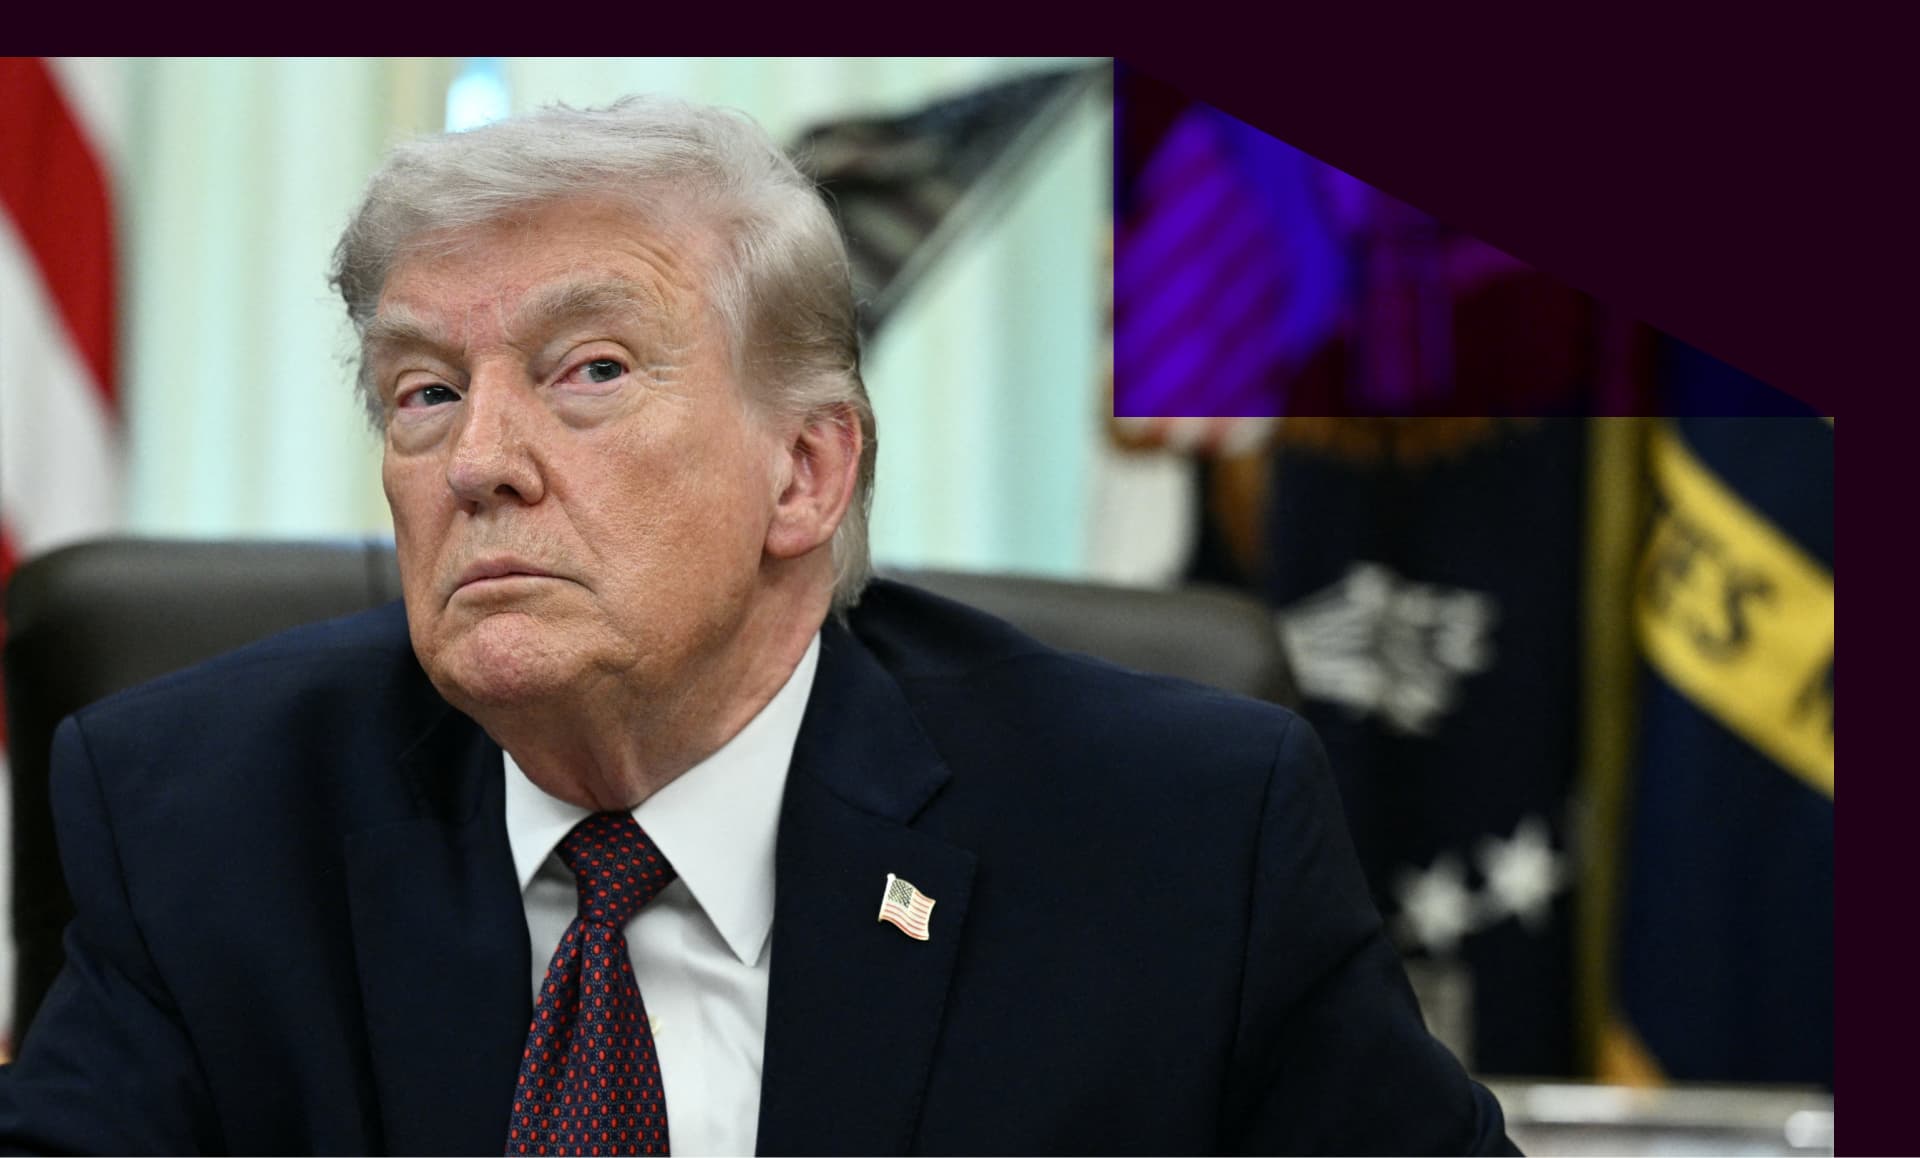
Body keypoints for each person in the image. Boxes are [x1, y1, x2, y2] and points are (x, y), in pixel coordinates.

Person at [0, 97, 1516, 1155]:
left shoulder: (1177, 840)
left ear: (806, 469)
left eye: (588, 368)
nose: (478, 459)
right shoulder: (196, 817)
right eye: (424, 390)